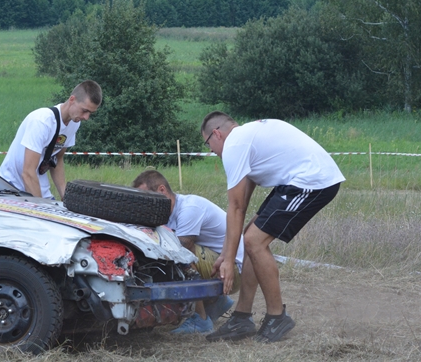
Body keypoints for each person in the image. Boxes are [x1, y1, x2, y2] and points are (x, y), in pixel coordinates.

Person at [201, 112, 345, 343]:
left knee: (254, 241)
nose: (211, 151)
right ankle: (242, 317)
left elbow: (235, 206)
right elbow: (242, 205)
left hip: (311, 181)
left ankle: (277, 317)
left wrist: (228, 260)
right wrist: (227, 253)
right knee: (251, 238)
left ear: (216, 134)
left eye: (208, 144)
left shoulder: (235, 144)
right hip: (296, 180)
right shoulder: (248, 138)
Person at [133, 169, 244, 334]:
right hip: (222, 262)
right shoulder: (168, 213)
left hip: (233, 269)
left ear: (161, 190)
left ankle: (200, 319)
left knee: (177, 256)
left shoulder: (189, 208)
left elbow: (180, 251)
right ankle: (216, 303)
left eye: (146, 197)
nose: (144, 204)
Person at [0, 80, 102, 200]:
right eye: (84, 110)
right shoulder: (42, 121)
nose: (86, 117)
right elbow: (27, 173)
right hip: (12, 188)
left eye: (91, 113)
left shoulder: (74, 123)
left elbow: (57, 159)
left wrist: (65, 197)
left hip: (41, 189)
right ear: (72, 99)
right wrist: (40, 209)